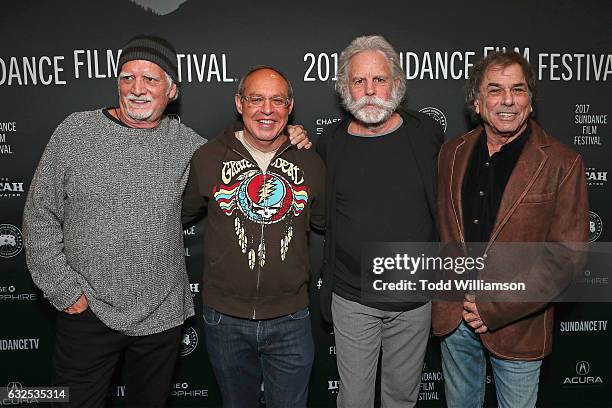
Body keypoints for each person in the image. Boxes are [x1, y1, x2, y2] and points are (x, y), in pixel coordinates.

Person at [22, 36, 310, 407]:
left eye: (151, 80)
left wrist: (289, 137)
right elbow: (39, 214)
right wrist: (66, 293)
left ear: (171, 90)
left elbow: (246, 153)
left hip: (161, 318)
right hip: (86, 312)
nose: (137, 89)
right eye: (128, 78)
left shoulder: (191, 147)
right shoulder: (75, 132)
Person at [433, 51, 588, 408]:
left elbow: (566, 258)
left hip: (519, 327)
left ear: (530, 102)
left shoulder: (562, 163)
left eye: (518, 90)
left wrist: (494, 306)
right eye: (495, 90)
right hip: (454, 319)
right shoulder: (450, 153)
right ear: (476, 101)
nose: (507, 101)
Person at [181, 66, 325, 408]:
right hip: (225, 319)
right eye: (256, 99)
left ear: (290, 107)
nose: (267, 109)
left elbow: (323, 222)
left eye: (277, 100)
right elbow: (179, 216)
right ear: (239, 103)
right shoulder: (208, 157)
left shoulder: (310, 162)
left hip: (291, 318)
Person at [316, 35, 443, 408]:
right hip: (353, 297)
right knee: (353, 399)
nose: (369, 91)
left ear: (397, 85)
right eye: (359, 81)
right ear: (345, 89)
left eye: (379, 80)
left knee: (401, 398)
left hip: (414, 298)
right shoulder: (331, 145)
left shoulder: (427, 136)